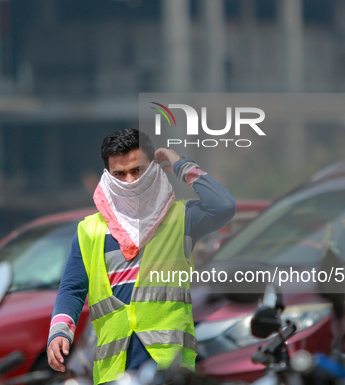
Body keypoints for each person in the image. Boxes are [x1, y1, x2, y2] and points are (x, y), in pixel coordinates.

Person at [46, 128, 236, 384]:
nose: (130, 181)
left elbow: (223, 206)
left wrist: (180, 164)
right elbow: (72, 289)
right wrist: (59, 333)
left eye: (138, 170)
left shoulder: (181, 219)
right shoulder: (89, 231)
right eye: (120, 174)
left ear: (154, 169)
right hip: (114, 372)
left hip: (171, 370)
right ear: (108, 176)